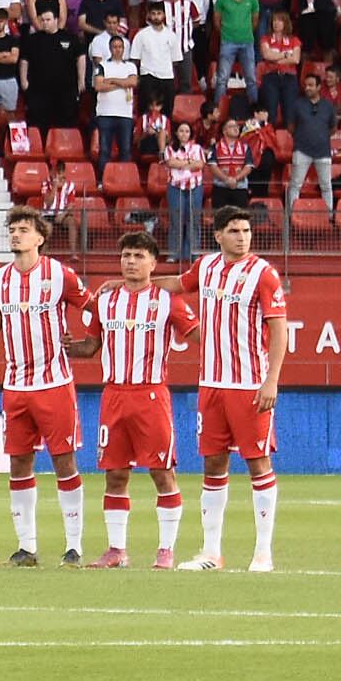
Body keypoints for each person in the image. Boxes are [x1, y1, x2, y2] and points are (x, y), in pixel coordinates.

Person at [186, 207, 290, 572]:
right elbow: (178, 284)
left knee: (258, 461)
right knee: (213, 462)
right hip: (212, 383)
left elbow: (279, 329)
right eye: (234, 230)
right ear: (217, 235)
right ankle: (211, 552)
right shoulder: (206, 268)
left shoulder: (263, 274)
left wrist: (271, 379)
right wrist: (131, 283)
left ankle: (263, 553)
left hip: (248, 384)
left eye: (246, 230)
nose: (242, 236)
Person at [0, 212, 90, 568]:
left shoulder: (59, 274)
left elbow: (93, 307)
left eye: (24, 231)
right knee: (18, 463)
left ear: (40, 238)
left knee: (64, 460)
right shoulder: (0, 279)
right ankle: (26, 546)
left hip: (54, 383)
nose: (16, 235)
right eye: (12, 230)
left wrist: (88, 343)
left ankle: (74, 545)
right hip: (15, 385)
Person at [86, 232, 188, 569]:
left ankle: (166, 549)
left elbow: (197, 333)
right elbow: (91, 346)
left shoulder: (166, 300)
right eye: (126, 255)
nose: (131, 261)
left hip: (150, 395)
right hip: (113, 395)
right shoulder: (105, 301)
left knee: (162, 472)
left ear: (153, 263)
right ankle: (117, 550)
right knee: (115, 474)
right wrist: (68, 346)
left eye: (139, 256)